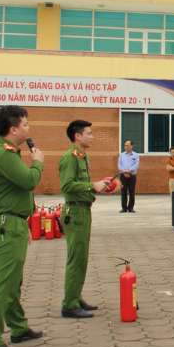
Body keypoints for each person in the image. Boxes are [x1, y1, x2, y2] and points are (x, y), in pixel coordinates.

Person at [0, 106, 45, 347]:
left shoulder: (11, 153)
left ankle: (18, 327)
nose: (29, 129)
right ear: (13, 129)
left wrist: (24, 222)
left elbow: (17, 192)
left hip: (14, 222)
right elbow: (28, 181)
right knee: (4, 283)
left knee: (12, 281)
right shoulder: (4, 154)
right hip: (7, 224)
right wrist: (38, 163)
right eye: (26, 125)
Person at [59, 120, 113, 319]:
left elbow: (82, 184)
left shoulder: (82, 157)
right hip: (74, 213)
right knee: (76, 258)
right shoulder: (70, 158)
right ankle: (69, 304)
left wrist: (99, 185)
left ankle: (75, 296)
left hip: (83, 211)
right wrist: (93, 185)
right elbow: (66, 186)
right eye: (88, 133)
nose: (92, 136)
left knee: (81, 258)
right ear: (77, 136)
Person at [117, 139, 139, 213]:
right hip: (123, 176)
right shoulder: (121, 155)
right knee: (123, 192)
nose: (126, 147)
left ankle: (131, 208)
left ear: (131, 146)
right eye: (125, 145)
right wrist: (124, 171)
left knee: (132, 192)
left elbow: (136, 165)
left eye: (127, 145)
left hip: (132, 176)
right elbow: (119, 165)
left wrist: (129, 171)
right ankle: (124, 208)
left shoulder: (136, 155)